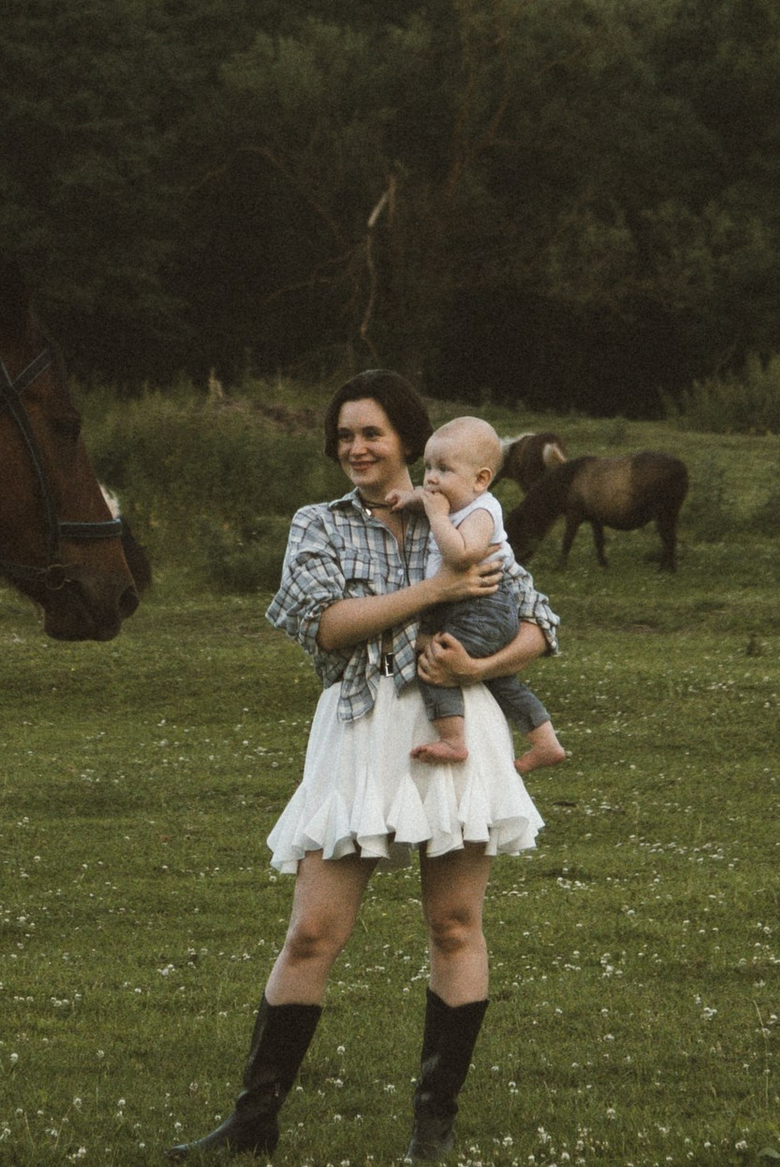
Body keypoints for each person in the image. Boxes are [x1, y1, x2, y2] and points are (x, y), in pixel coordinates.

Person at [170, 370, 559, 1164]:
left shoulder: (463, 510)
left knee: (454, 925)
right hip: (359, 728)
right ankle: (252, 1125)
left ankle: (432, 1128)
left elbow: (540, 623)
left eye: (371, 433)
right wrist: (437, 589)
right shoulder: (318, 524)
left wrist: (480, 671)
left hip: (455, 728)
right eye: (344, 435)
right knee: (314, 930)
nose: (355, 448)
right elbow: (327, 626)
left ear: (408, 441)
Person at [396, 416, 567, 776]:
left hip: (483, 607)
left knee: (437, 662)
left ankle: (453, 739)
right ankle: (545, 741)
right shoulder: (456, 503)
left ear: (481, 479)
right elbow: (426, 498)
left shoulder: (482, 511)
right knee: (502, 679)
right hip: (470, 608)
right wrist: (409, 499)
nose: (431, 478)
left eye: (443, 469)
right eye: (427, 467)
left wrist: (436, 516)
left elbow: (462, 555)